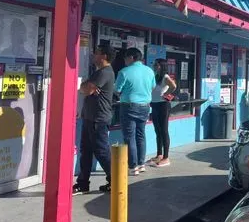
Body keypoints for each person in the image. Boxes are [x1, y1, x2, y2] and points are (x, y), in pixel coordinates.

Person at [73, 45, 116, 195]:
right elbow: (87, 88)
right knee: (85, 151)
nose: (93, 55)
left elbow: (86, 89)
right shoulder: (98, 73)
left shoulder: (104, 72)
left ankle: (116, 181)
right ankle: (83, 183)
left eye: (96, 53)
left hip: (99, 119)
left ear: (103, 56)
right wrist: (87, 86)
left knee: (101, 151)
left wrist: (86, 86)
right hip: (90, 118)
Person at [115, 48, 156, 176]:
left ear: (132, 57)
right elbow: (153, 86)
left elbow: (117, 89)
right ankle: (141, 164)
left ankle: (133, 166)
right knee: (140, 135)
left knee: (129, 137)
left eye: (126, 58)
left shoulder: (124, 72)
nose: (125, 60)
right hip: (145, 106)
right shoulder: (149, 71)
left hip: (129, 106)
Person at [148, 59, 177, 168]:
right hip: (154, 105)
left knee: (164, 131)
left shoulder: (165, 76)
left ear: (162, 66)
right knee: (157, 130)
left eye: (157, 65)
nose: (154, 66)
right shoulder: (155, 76)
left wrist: (166, 94)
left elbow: (174, 86)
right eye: (154, 64)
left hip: (163, 105)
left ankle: (166, 157)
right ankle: (159, 154)